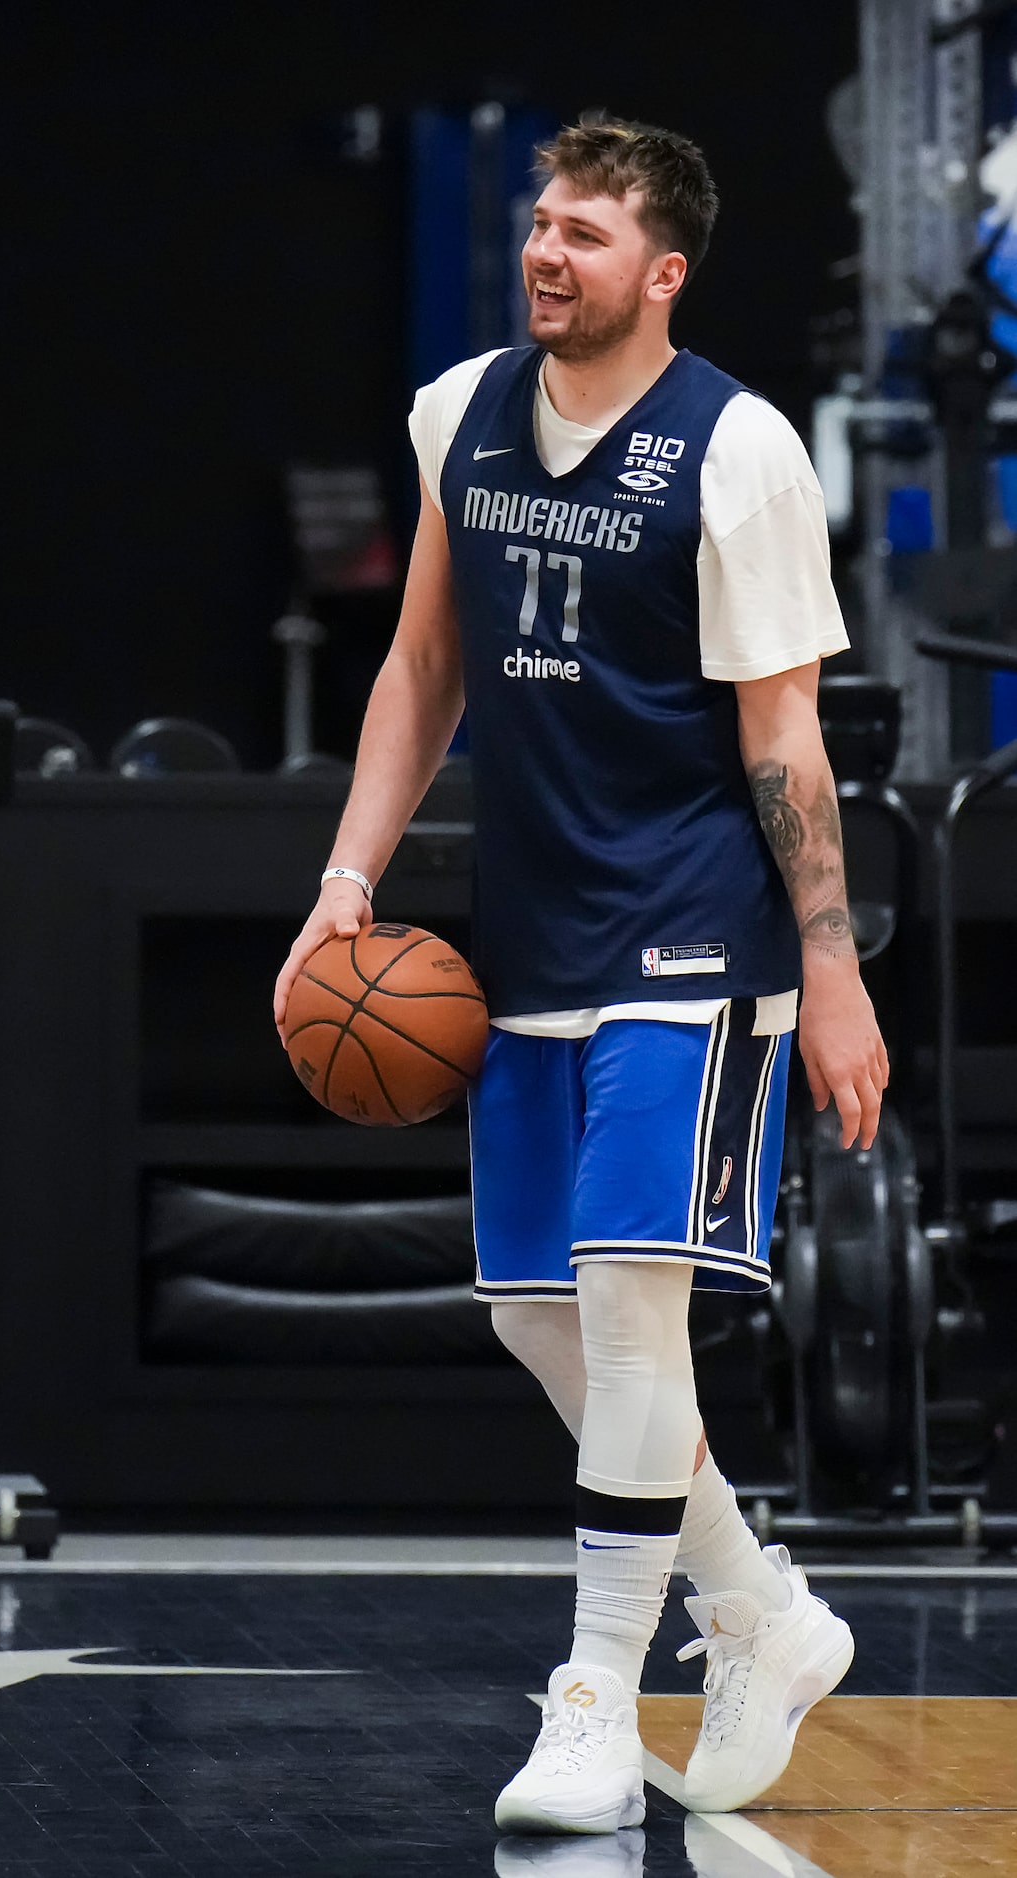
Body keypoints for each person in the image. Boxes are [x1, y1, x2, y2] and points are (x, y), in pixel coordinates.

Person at [274, 113, 887, 1836]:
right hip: (530, 927)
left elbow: (788, 742)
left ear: (663, 271)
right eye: (541, 226)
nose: (549, 255)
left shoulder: (739, 451)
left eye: (588, 236)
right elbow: (418, 672)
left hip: (697, 932)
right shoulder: (454, 413)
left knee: (628, 1306)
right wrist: (345, 882)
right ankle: (760, 1611)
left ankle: (594, 1705)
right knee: (536, 1319)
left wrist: (828, 975)